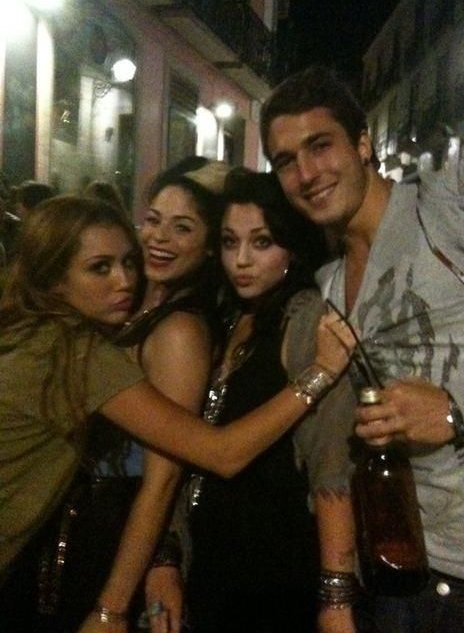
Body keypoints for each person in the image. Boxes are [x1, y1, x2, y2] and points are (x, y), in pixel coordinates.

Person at [0, 194, 355, 632]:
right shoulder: (71, 350)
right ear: (52, 278)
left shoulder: (28, 330)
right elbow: (222, 453)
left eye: (128, 262)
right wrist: (319, 373)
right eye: (100, 268)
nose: (124, 280)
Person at [260, 63, 464, 633]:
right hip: (410, 571)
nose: (307, 174)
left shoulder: (450, 201)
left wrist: (459, 410)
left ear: (362, 145)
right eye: (286, 161)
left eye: (320, 146)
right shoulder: (330, 284)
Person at [146, 168, 329, 633]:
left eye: (262, 242)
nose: (241, 260)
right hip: (209, 568)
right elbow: (184, 454)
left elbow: (331, 468)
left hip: (274, 577)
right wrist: (167, 555)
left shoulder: (304, 318)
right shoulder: (228, 315)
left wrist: (337, 596)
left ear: (293, 246)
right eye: (230, 242)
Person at [75, 158, 229, 632]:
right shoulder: (134, 306)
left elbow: (163, 479)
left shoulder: (180, 331)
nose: (159, 238)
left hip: (119, 540)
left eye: (182, 228)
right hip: (86, 527)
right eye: (154, 220)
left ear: (209, 247)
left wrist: (113, 606)